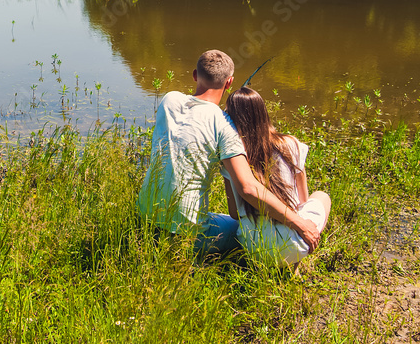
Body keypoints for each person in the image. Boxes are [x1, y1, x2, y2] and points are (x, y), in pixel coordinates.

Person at [137, 50, 320, 257]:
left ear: (195, 75)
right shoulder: (225, 125)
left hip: (145, 221)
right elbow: (248, 188)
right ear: (229, 83)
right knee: (240, 227)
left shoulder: (169, 100)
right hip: (189, 236)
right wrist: (299, 223)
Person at [222, 87, 331, 266]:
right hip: (296, 244)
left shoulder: (234, 158)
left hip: (253, 247)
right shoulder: (291, 144)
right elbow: (302, 202)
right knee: (322, 197)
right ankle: (295, 265)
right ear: (263, 113)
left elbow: (234, 213)